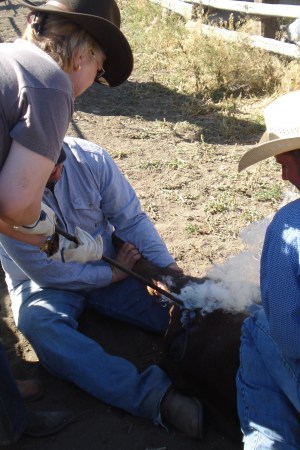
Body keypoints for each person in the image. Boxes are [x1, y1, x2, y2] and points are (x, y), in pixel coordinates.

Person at [0, 136, 204, 441]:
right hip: (46, 284)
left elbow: (131, 219)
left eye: (59, 162)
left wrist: (170, 272)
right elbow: (46, 271)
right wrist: (110, 275)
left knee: (181, 304)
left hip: (108, 261)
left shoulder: (91, 159)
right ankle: (155, 398)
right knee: (39, 325)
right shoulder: (6, 191)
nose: (57, 171)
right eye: (45, 168)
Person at [0, 0, 133, 444]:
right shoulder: (47, 81)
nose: (91, 82)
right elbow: (18, 205)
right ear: (84, 54)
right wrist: (69, 243)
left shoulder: (7, 61)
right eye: (97, 70)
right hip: (57, 275)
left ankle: (6, 407)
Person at [237, 90, 300, 449]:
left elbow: (291, 342)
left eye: (284, 163)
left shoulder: (290, 225)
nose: (283, 175)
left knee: (257, 325)